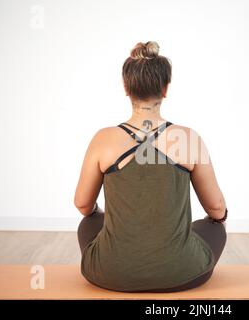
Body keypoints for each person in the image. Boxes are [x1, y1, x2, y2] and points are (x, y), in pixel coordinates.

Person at [74, 41, 228, 292]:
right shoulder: (188, 138)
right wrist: (220, 219)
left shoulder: (103, 139)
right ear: (166, 88)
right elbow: (216, 207)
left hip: (110, 273)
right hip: (182, 273)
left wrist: (97, 214)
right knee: (212, 226)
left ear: (126, 88)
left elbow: (82, 204)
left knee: (90, 222)